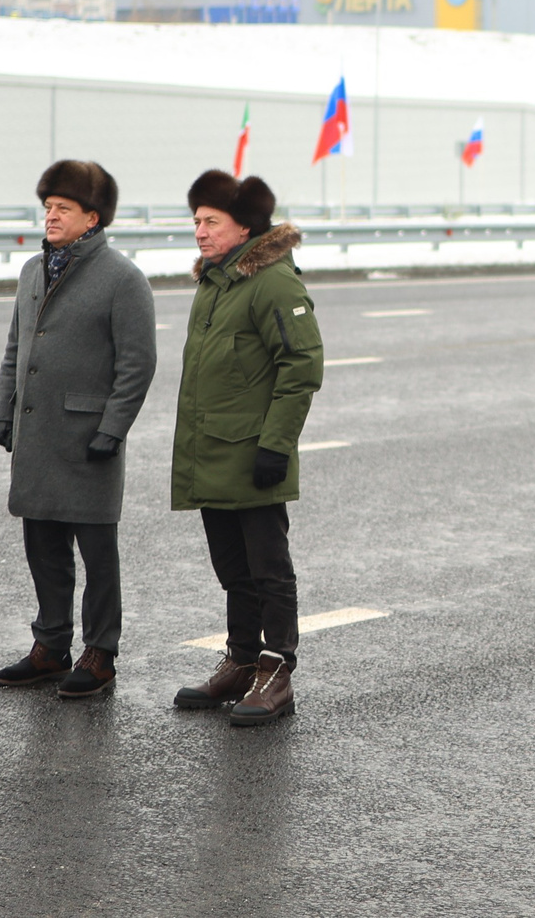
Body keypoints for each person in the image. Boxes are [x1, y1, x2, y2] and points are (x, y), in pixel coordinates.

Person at [0, 161, 158, 700]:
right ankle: (51, 646)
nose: (51, 216)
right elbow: (17, 347)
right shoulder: (32, 272)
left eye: (63, 208)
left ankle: (100, 653)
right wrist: (3, 409)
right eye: (47, 207)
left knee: (97, 554)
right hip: (38, 433)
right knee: (43, 545)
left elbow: (138, 364)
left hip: (89, 441)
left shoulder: (122, 278)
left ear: (92, 217)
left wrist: (112, 430)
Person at [169, 170, 327, 724]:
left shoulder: (275, 283)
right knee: (232, 568)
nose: (200, 231)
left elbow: (302, 366)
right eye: (196, 220)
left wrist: (276, 447)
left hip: (254, 453)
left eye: (211, 221)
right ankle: (240, 660)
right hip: (212, 450)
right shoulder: (216, 282)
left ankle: (276, 670)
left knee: (268, 567)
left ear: (245, 227)